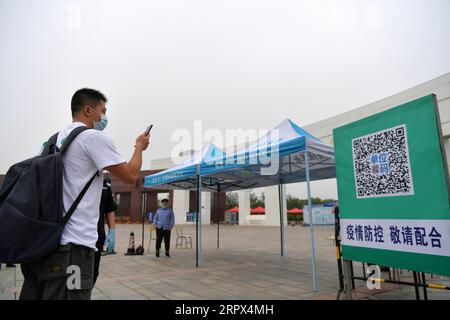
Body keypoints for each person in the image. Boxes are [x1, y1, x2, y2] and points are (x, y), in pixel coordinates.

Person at [19, 88, 150, 300]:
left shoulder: (48, 143)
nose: (105, 117)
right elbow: (131, 175)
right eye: (103, 111)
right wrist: (139, 147)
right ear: (88, 110)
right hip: (73, 249)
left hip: (41, 246)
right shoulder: (92, 138)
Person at [93, 178, 118, 285]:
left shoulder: (104, 184)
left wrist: (112, 231)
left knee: (93, 275)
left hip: (97, 238)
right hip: (73, 239)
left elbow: (109, 208)